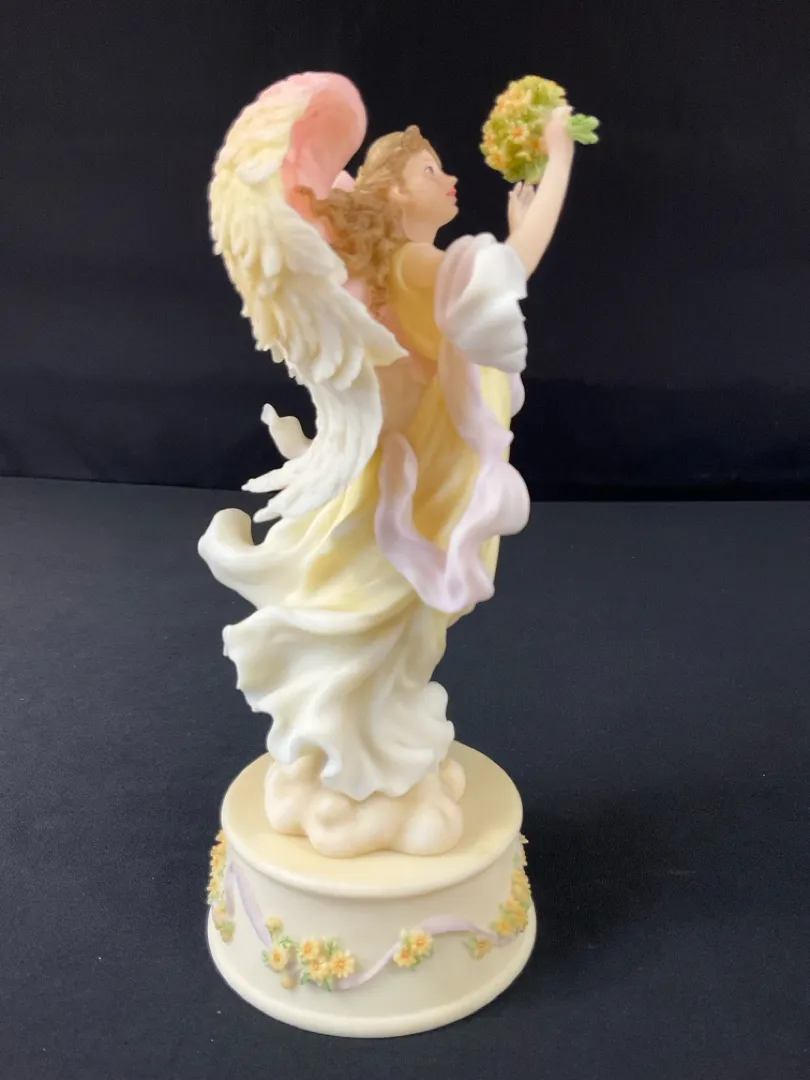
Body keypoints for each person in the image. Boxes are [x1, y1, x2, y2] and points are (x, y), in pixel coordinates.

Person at [199, 73, 575, 854]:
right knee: (375, 621)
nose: (449, 178)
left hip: (411, 473)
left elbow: (483, 300)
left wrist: (519, 221)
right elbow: (505, 275)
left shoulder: (402, 269)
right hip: (399, 488)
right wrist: (560, 161)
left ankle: (368, 754)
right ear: (396, 194)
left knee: (396, 630)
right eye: (430, 170)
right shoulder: (406, 266)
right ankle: (355, 765)